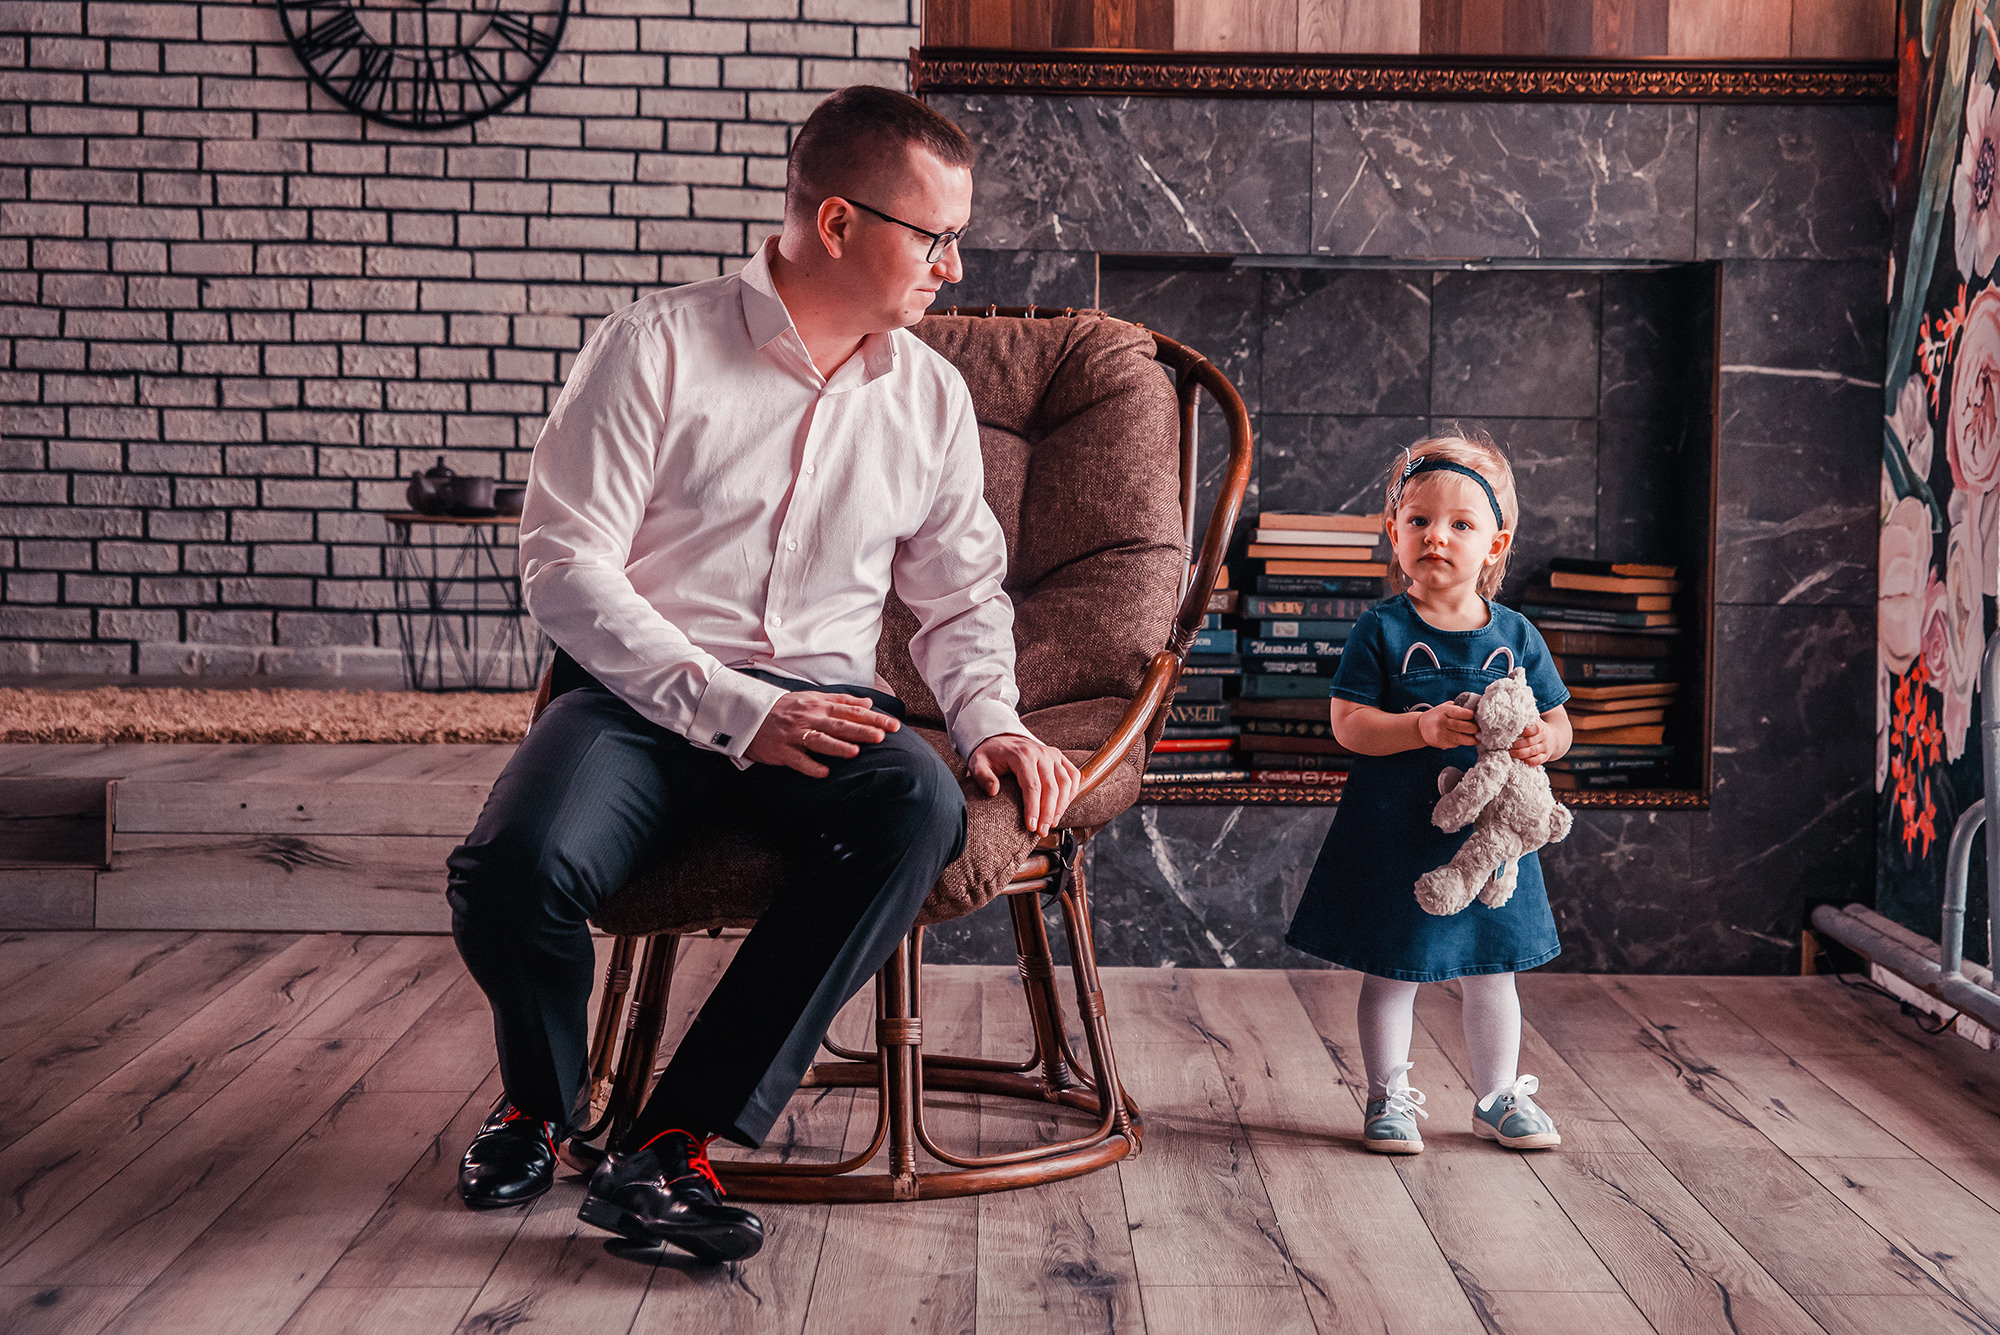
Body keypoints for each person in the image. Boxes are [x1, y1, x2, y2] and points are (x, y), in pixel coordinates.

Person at [443, 86, 1081, 1264]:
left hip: (826, 706)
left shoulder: (930, 397)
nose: (953, 267)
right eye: (935, 237)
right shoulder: (651, 347)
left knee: (917, 805)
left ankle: (669, 1143)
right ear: (837, 224)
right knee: (509, 872)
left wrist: (988, 717)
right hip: (637, 699)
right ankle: (537, 1107)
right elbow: (565, 568)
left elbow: (955, 597)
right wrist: (736, 709)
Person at [1284, 431, 1572, 1155]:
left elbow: (1559, 721)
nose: (1436, 536)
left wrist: (1545, 740)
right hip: (1399, 830)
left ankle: (1498, 1096)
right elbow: (1349, 723)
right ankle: (1388, 1096)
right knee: (1393, 971)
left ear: (1495, 546)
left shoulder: (1516, 635)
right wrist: (1421, 727)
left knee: (1493, 972)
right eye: (1419, 520)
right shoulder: (1381, 630)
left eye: (1460, 524)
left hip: (1492, 843)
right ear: (1394, 532)